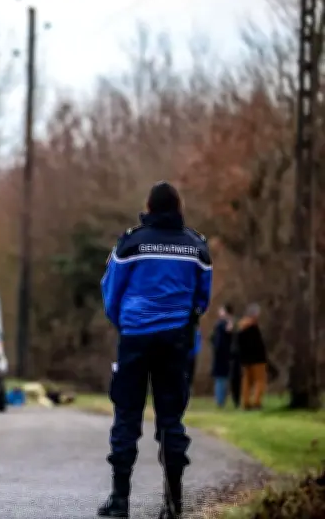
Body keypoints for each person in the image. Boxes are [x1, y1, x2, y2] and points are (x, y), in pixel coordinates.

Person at [98, 181, 212, 519]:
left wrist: (125, 323)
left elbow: (111, 291)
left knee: (126, 416)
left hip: (135, 337)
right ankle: (173, 504)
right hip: (175, 341)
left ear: (148, 207)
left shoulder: (131, 244)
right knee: (171, 420)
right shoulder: (196, 247)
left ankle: (119, 500)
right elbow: (202, 298)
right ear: (179, 208)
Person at [236, 303, 267, 410]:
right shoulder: (253, 327)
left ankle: (246, 403)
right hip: (257, 358)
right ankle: (257, 402)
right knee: (260, 381)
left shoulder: (241, 327)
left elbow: (239, 344)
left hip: (245, 359)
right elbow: (257, 344)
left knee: (246, 382)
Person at [210, 304, 234, 408]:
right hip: (222, 355)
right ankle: (220, 400)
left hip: (223, 355)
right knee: (221, 378)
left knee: (221, 378)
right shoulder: (221, 324)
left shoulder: (222, 324)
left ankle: (220, 400)